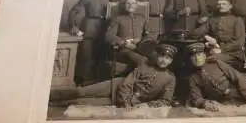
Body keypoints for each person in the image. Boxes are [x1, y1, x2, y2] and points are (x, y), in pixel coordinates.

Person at [49, 44, 177, 108]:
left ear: (171, 61)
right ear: (157, 56)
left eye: (167, 58)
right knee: (81, 92)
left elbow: (165, 101)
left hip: (124, 102)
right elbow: (127, 83)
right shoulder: (145, 64)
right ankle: (48, 96)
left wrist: (146, 105)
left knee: (80, 103)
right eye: (161, 56)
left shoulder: (170, 78)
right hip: (117, 86)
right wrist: (126, 102)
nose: (163, 60)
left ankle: (52, 105)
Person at [68, 0, 111, 85]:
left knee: (102, 55)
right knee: (86, 55)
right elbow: (73, 11)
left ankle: (98, 81)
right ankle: (84, 80)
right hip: (90, 26)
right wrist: (73, 26)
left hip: (104, 27)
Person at [189, 0, 245, 68]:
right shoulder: (212, 19)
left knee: (210, 61)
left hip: (233, 53)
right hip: (213, 50)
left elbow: (239, 42)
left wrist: (221, 49)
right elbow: (196, 33)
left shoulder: (237, 20)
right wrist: (205, 35)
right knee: (196, 60)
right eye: (219, 4)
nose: (221, 6)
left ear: (230, 6)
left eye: (224, 4)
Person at [105, 0, 151, 68]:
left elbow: (147, 34)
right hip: (125, 50)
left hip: (141, 48)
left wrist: (141, 41)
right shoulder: (118, 19)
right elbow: (109, 36)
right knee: (143, 61)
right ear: (124, 6)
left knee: (156, 58)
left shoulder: (141, 18)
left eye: (133, 3)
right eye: (128, 3)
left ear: (136, 6)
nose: (130, 5)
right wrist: (124, 43)